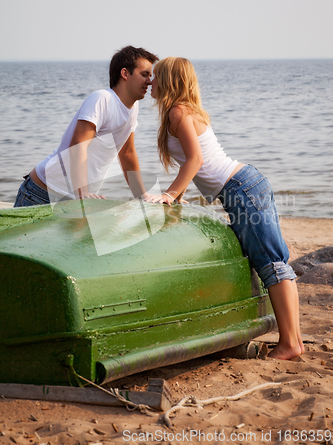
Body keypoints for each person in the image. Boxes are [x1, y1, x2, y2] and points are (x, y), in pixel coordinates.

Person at [146, 56, 303, 360]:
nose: (150, 82)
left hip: (241, 188)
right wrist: (178, 197)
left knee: (272, 263)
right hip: (243, 187)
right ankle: (293, 341)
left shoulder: (179, 112)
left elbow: (196, 160)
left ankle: (290, 344)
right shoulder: (182, 111)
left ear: (168, 81)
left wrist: (170, 193)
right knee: (276, 261)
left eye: (155, 77)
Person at [14, 46, 158, 207]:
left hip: (75, 198)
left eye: (150, 76)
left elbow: (127, 153)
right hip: (42, 193)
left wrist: (142, 196)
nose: (150, 81)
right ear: (125, 73)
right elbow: (78, 145)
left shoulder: (132, 109)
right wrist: (83, 192)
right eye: (144, 74)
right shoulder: (102, 99)